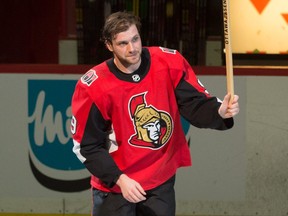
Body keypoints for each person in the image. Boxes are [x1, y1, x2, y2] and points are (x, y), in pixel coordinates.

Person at [70, 11, 239, 216]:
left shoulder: (169, 63)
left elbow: (194, 104)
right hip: (116, 186)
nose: (132, 49)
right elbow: (86, 146)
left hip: (159, 181)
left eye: (135, 39)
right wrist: (119, 179)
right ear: (109, 45)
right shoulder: (93, 86)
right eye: (123, 43)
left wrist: (220, 111)